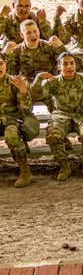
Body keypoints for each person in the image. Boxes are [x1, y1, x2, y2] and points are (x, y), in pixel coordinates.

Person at [32, 52, 83, 181]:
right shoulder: (53, 82)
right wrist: (38, 79)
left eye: (72, 63)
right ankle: (64, 166)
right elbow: (37, 95)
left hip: (82, 116)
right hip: (61, 116)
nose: (69, 67)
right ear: (59, 67)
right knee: (53, 136)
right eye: (65, 64)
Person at [0, 54, 33, 187]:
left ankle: (25, 172)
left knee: (12, 135)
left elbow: (26, 110)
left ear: (5, 64)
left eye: (1, 63)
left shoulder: (14, 82)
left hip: (11, 119)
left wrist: (24, 90)